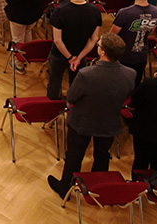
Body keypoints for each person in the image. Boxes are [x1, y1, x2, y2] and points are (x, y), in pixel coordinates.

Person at [47, 33, 135, 198]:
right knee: (102, 156)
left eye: (99, 46)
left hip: (82, 122)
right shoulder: (130, 74)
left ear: (103, 53)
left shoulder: (86, 74)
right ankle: (98, 187)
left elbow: (72, 96)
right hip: (109, 121)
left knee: (74, 155)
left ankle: (65, 186)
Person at [47, 0, 102, 100]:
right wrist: (77, 58)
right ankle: (72, 106)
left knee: (54, 83)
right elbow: (94, 39)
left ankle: (52, 107)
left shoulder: (60, 11)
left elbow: (57, 40)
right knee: (76, 85)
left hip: (59, 55)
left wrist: (70, 58)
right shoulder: (95, 10)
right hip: (80, 54)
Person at [110, 0, 157, 86]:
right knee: (134, 85)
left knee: (118, 86)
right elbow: (151, 31)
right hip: (141, 56)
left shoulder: (125, 12)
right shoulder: (155, 12)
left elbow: (111, 36)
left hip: (123, 57)